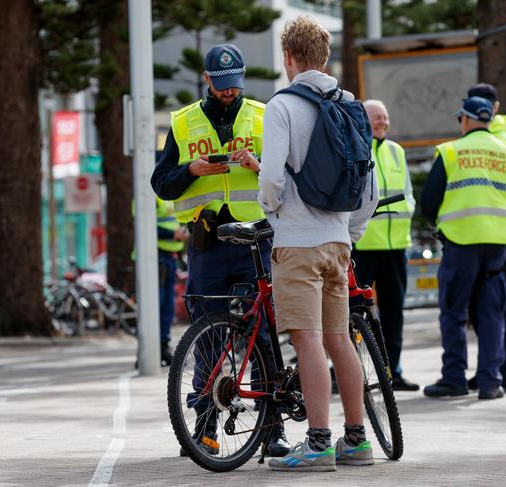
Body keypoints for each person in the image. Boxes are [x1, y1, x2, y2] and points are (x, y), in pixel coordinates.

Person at [150, 43, 291, 457]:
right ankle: (205, 426)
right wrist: (191, 170)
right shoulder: (183, 122)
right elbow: (161, 184)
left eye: (235, 85)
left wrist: (256, 165)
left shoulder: (265, 116)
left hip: (257, 243)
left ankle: (272, 429)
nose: (229, 92)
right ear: (207, 79)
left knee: (263, 335)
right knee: (209, 337)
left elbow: (286, 178)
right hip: (208, 242)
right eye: (221, 85)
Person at [259, 16, 379, 472]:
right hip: (337, 242)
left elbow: (271, 178)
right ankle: (356, 440)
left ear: (289, 57)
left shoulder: (282, 106)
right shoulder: (351, 104)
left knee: (306, 341)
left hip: (297, 243)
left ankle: (317, 442)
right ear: (324, 57)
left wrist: (275, 214)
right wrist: (348, 234)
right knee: (340, 340)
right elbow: (368, 188)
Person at [420, 96, 506, 400]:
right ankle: (490, 382)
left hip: (460, 244)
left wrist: (443, 223)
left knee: (454, 313)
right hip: (498, 247)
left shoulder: (451, 151)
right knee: (492, 313)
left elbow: (428, 202)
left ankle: (454, 379)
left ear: (465, 120)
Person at [352, 99, 419, 392]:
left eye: (385, 117)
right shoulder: (356, 148)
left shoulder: (396, 151)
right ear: (364, 120)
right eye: (377, 117)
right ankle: (350, 372)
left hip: (395, 247)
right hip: (363, 245)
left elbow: (407, 192)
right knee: (353, 314)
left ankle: (393, 372)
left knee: (394, 312)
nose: (383, 122)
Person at [465, 83, 506, 393]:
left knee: (504, 308)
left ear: (496, 108)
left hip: (499, 238)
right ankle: (491, 369)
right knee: (486, 310)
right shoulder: (501, 140)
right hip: (489, 235)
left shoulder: (504, 141)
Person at [155, 197, 188, 366]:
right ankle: (153, 349)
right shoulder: (150, 197)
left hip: (169, 258)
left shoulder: (167, 197)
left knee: (167, 306)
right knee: (156, 307)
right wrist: (173, 234)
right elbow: (144, 225)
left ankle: (163, 347)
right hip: (156, 257)